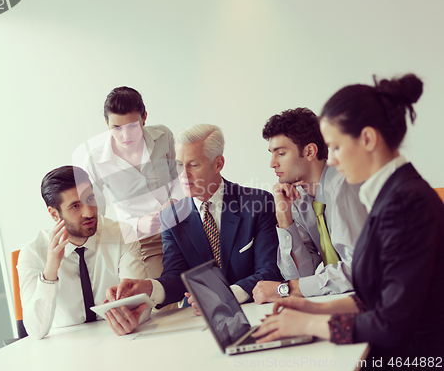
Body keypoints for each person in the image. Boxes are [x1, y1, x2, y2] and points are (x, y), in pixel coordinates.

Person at [253, 74, 444, 363]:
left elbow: (392, 324)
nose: (333, 159)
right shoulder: (389, 197)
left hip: (415, 357)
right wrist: (314, 310)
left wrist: (308, 325)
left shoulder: (406, 204)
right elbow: (376, 293)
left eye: (338, 147)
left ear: (367, 139)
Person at [104, 124, 282, 335]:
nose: (183, 175)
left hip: (254, 314)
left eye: (194, 165)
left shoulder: (258, 203)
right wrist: (149, 288)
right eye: (179, 165)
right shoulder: (171, 216)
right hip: (199, 322)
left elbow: (269, 270)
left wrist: (224, 295)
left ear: (218, 164)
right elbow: (176, 278)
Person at [17, 166, 149, 339]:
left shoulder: (122, 234)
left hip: (118, 340)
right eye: (75, 206)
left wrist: (133, 317)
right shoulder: (33, 253)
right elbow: (35, 331)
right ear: (54, 214)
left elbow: (141, 305)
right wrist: (50, 271)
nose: (88, 212)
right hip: (63, 350)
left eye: (90, 199)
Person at [252, 108, 367, 302]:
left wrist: (284, 290)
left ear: (310, 151)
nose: (272, 163)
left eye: (280, 153)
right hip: (341, 302)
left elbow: (358, 271)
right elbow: (301, 275)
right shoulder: (299, 198)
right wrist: (284, 217)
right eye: (272, 154)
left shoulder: (345, 186)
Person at [73, 87, 181, 279]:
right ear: (107, 123)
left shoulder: (163, 136)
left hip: (182, 226)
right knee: (162, 299)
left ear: (144, 117)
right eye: (117, 128)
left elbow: (179, 178)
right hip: (142, 241)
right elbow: (96, 216)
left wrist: (174, 201)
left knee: (208, 286)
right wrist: (138, 224)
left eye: (133, 125)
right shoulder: (96, 161)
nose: (125, 136)